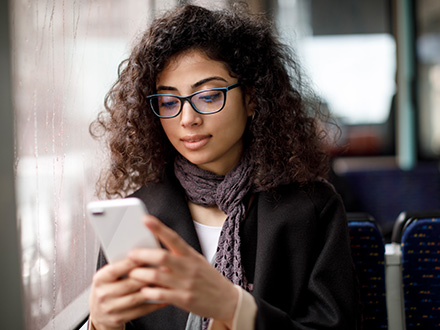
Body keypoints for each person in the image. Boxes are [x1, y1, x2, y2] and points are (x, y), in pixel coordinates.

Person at [88, 3, 360, 330]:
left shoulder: (312, 208)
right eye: (169, 102)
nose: (188, 119)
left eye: (208, 95)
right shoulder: (136, 216)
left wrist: (234, 308)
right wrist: (101, 324)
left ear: (251, 98)